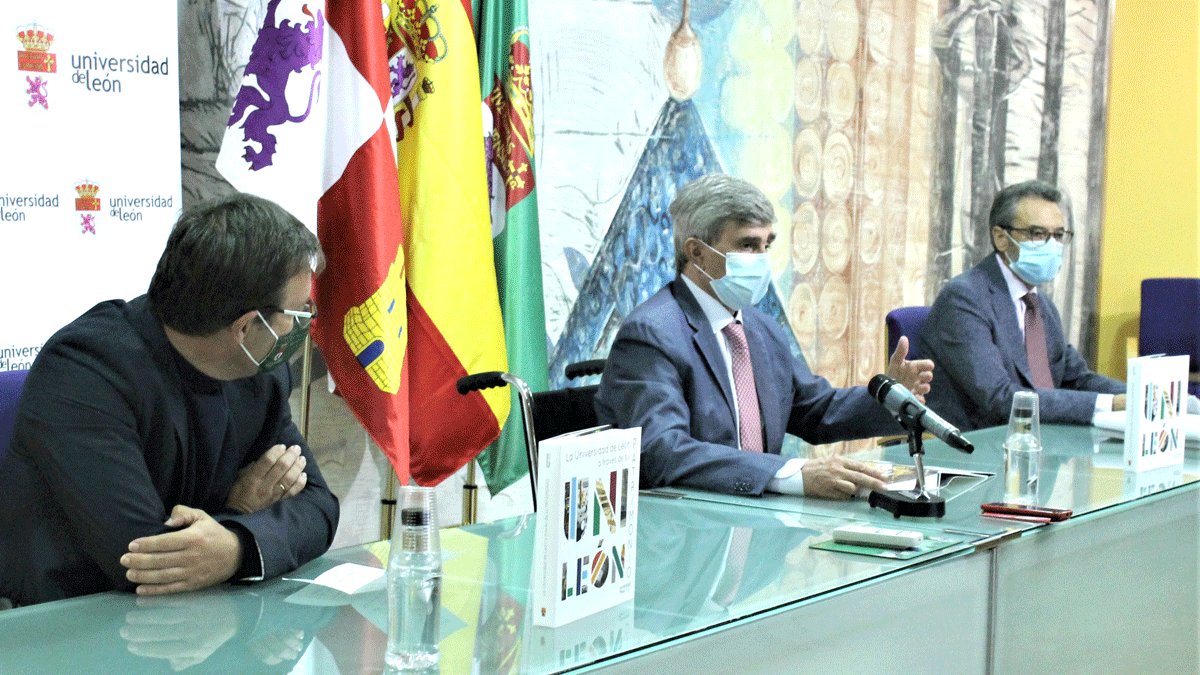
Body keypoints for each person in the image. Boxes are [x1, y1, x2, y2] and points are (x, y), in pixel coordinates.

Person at [0, 193, 339, 606]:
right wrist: (242, 512)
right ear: (247, 327)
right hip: (73, 622)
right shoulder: (85, 371)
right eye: (299, 313)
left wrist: (235, 546)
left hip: (198, 620)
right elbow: (142, 555)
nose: (303, 324)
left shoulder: (260, 374)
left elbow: (319, 506)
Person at [594, 174, 934, 499]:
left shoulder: (759, 327)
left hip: (756, 525)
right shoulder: (652, 333)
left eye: (766, 245)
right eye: (747, 245)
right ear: (696, 252)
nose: (761, 260)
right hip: (689, 530)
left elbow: (814, 410)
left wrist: (889, 395)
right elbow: (663, 451)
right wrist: (788, 473)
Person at [919, 180, 1126, 431]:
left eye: (1058, 235)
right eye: (1038, 234)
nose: (1052, 245)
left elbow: (1075, 379)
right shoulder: (964, 299)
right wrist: (1109, 404)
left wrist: (1141, 396)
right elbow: (1000, 399)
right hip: (977, 449)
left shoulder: (1041, 305)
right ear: (1001, 238)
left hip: (1041, 443)